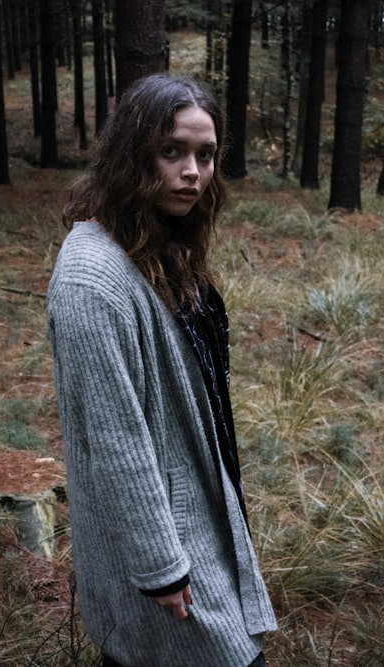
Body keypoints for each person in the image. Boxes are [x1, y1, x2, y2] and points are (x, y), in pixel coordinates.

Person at [47, 73, 277, 666]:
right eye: (171, 151)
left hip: (194, 497)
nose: (193, 172)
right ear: (132, 153)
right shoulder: (92, 280)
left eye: (204, 154)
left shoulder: (156, 241)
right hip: (164, 538)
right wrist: (160, 567)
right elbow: (115, 436)